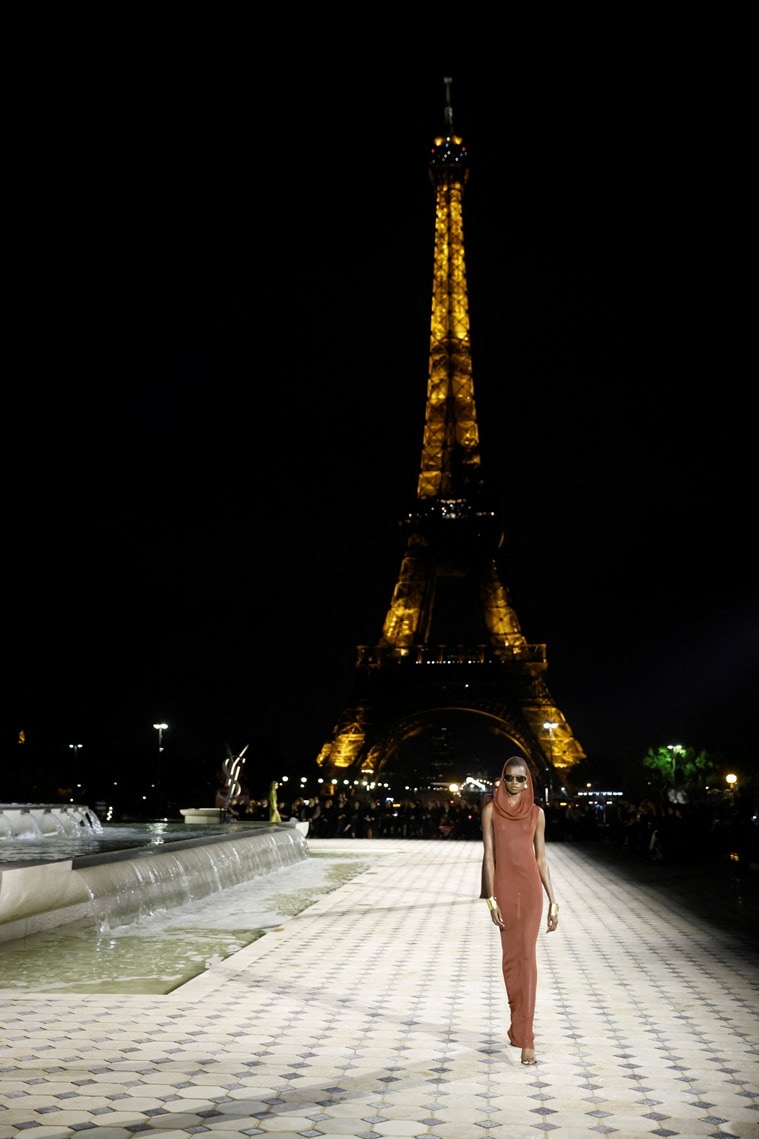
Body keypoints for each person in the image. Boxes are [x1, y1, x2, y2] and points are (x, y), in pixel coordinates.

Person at [481, 756, 559, 1065]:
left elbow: (541, 859)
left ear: (529, 782)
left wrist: (554, 900)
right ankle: (517, 1027)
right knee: (510, 964)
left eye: (521, 779)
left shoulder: (537, 814)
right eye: (510, 778)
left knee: (527, 959)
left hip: (530, 893)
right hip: (503, 890)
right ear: (502, 779)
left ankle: (527, 1038)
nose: (515, 784)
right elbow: (489, 857)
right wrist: (491, 899)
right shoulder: (490, 812)